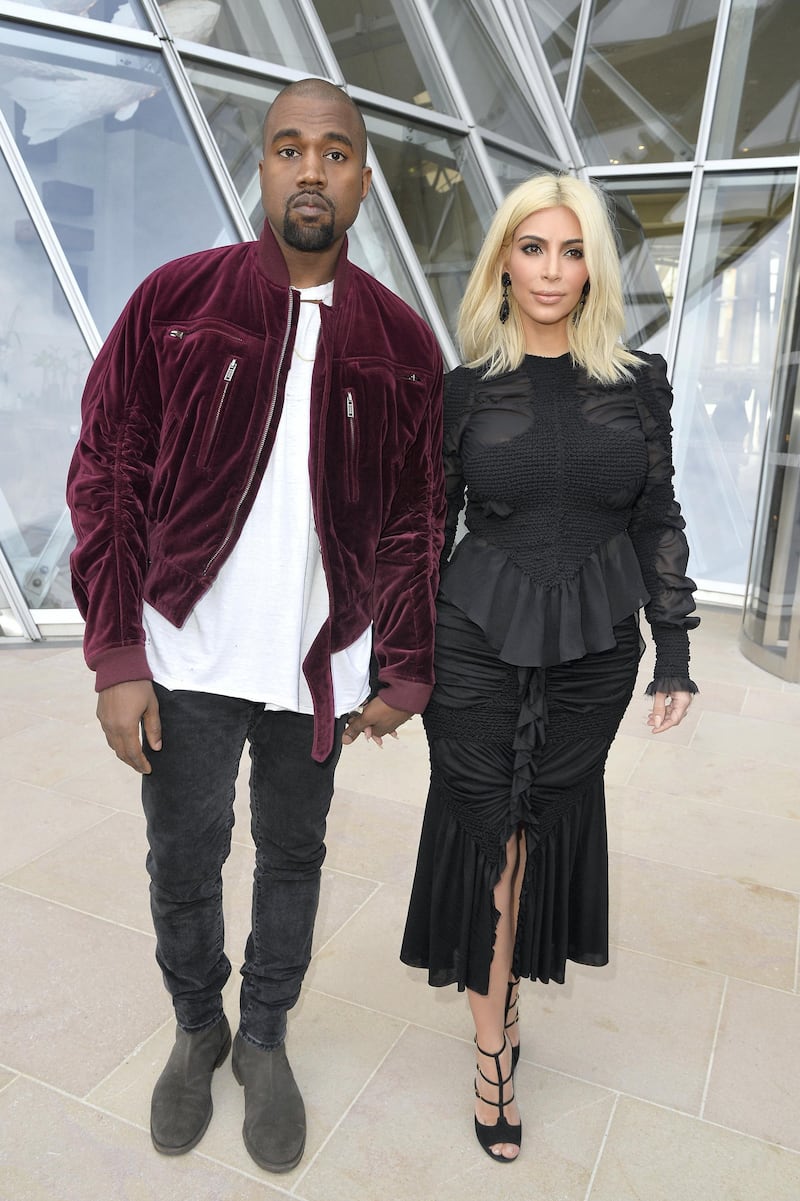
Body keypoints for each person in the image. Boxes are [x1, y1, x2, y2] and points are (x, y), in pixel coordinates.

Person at [66, 77, 445, 1174]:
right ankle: (199, 1026)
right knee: (182, 855)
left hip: (316, 667)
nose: (311, 170)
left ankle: (266, 1035)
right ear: (264, 168)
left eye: (334, 152)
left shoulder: (402, 342)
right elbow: (109, 474)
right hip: (181, 651)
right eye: (289, 148)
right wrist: (118, 654)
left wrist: (405, 666)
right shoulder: (176, 299)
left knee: (293, 854)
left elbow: (420, 516)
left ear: (363, 176)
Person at [400, 172, 699, 1163]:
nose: (552, 270)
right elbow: (423, 526)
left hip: (592, 652)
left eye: (572, 252)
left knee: (540, 827)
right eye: (533, 248)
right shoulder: (462, 389)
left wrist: (674, 651)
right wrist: (396, 656)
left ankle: (507, 984)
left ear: (595, 268)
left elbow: (653, 513)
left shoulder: (637, 380)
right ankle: (491, 1047)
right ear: (502, 259)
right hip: (475, 638)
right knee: (488, 834)